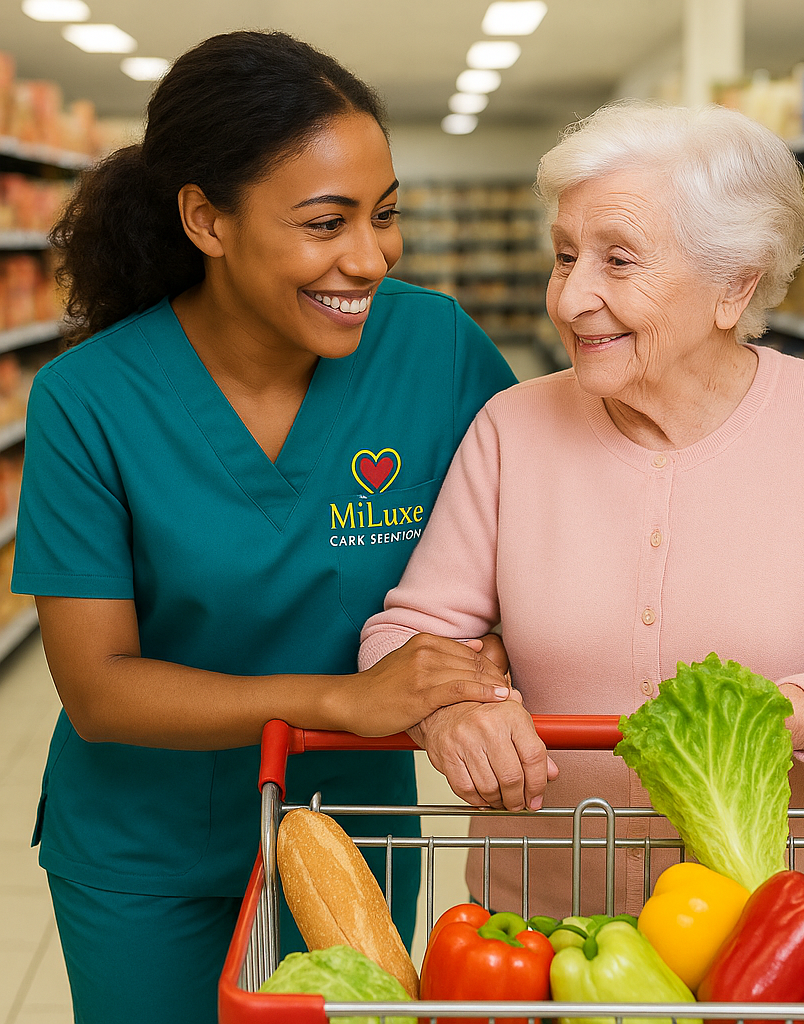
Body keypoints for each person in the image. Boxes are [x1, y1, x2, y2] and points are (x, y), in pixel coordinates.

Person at [360, 100, 804, 924]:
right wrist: (448, 709)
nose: (572, 298)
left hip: (778, 928)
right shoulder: (512, 429)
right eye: (564, 257)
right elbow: (404, 635)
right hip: (551, 927)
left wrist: (782, 717)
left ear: (733, 285)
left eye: (618, 261)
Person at [11, 30, 517, 1024]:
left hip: (352, 834)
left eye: (385, 215)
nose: (368, 257)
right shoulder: (89, 398)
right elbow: (99, 686)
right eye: (326, 222)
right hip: (144, 848)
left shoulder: (435, 346)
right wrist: (349, 698)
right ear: (206, 218)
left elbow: (532, 534)